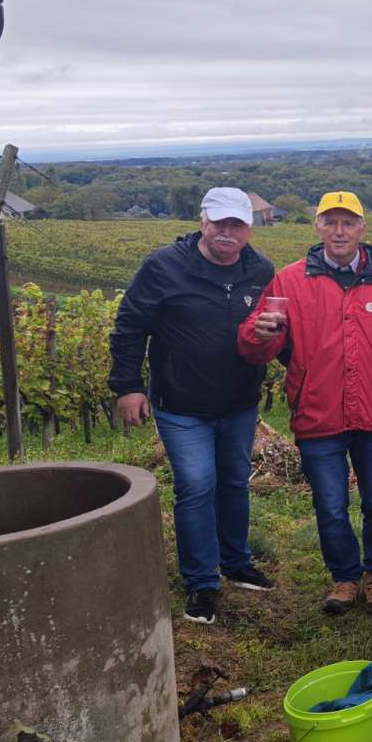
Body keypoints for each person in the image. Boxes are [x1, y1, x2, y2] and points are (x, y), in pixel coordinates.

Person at [237, 191, 372, 617]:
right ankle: (345, 576)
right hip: (319, 412)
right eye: (330, 222)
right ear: (317, 226)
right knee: (331, 506)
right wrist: (259, 334)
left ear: (362, 228)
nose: (339, 231)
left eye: (348, 222)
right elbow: (258, 346)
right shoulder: (290, 280)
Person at [109, 187, 276, 625]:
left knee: (234, 483)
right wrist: (128, 386)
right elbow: (129, 326)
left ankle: (236, 562)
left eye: (236, 224)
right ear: (203, 222)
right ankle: (201, 582)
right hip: (180, 403)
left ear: (249, 229)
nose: (227, 232)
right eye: (219, 223)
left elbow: (272, 330)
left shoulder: (260, 270)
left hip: (239, 402)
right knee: (197, 484)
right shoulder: (164, 267)